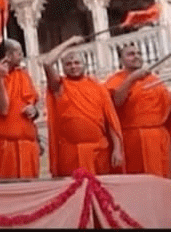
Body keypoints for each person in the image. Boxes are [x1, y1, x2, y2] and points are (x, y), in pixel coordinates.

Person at [103, 43, 171, 178]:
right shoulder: (115, 80)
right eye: (131, 54)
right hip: (132, 139)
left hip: (158, 139)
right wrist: (132, 79)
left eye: (139, 54)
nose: (136, 57)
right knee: (138, 181)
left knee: (161, 179)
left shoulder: (155, 80)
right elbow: (115, 102)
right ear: (121, 61)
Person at [41, 35, 124, 177]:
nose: (73, 66)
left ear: (84, 65)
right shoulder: (60, 86)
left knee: (99, 193)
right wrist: (70, 42)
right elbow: (48, 63)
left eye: (77, 63)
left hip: (99, 150)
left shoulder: (98, 88)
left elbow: (111, 122)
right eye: (69, 64)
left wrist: (117, 149)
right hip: (71, 152)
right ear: (63, 67)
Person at [0, 38, 40, 180]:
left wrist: (34, 111)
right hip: (3, 146)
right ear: (8, 55)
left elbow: (33, 103)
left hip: (27, 144)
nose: (22, 55)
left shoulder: (23, 75)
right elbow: (2, 109)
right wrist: (0, 79)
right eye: (18, 53)